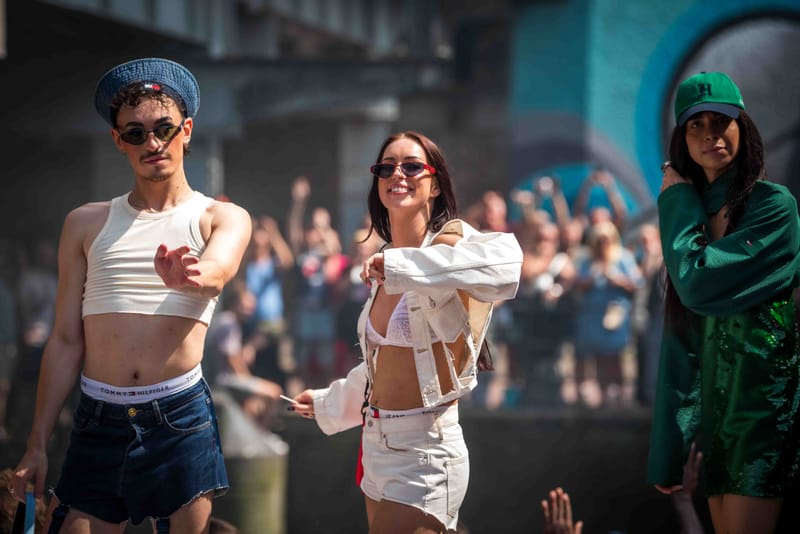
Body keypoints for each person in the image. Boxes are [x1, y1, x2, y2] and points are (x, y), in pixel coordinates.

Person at [10, 57, 252, 533]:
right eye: (136, 133)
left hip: (180, 414)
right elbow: (63, 340)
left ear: (186, 130)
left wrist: (188, 279)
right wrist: (36, 442)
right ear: (118, 141)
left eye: (163, 128)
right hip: (96, 415)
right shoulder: (84, 222)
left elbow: (218, 272)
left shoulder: (220, 217)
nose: (153, 143)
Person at [290, 131, 522, 533]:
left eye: (412, 166)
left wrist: (403, 268)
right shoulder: (384, 267)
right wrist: (329, 401)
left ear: (434, 184)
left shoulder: (450, 241)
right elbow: (385, 368)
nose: (398, 174)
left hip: (425, 453)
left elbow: (507, 266)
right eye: (386, 167)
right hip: (377, 447)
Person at [647, 71, 800, 534]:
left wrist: (674, 203)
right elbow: (680, 343)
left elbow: (696, 283)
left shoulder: (774, 207)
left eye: (722, 120)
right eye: (696, 124)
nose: (711, 133)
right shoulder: (693, 216)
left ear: (743, 128)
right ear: (682, 139)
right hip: (715, 425)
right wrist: (668, 454)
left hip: (766, 414)